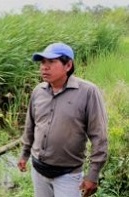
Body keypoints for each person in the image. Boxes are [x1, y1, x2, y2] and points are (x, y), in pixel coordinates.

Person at [17, 42, 108, 197]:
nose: (44, 67)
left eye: (51, 62)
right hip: (38, 171)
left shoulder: (88, 92)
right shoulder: (38, 91)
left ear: (68, 65)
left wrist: (93, 174)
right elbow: (30, 126)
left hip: (68, 176)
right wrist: (25, 154)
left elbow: (99, 136)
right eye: (42, 62)